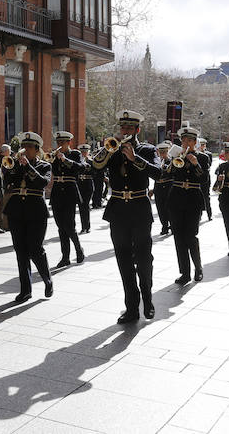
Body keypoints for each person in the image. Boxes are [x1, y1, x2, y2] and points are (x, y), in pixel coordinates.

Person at [92, 110, 163, 323]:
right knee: (123, 261)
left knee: (143, 259)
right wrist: (107, 151)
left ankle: (148, 298)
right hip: (118, 212)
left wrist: (135, 158)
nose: (125, 132)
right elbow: (95, 168)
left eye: (129, 128)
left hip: (140, 210)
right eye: (123, 128)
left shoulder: (148, 150)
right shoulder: (112, 150)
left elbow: (158, 173)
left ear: (137, 130)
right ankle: (131, 308)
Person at [2, 131, 53, 302]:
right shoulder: (17, 164)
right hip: (16, 210)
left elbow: (42, 183)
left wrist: (28, 167)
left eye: (29, 147)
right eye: (24, 147)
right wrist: (13, 166)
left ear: (37, 149)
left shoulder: (44, 166)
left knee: (35, 249)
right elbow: (7, 181)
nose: (25, 150)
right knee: (20, 251)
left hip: (36, 211)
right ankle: (25, 289)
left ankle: (47, 279)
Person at [167, 127, 209, 284]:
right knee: (178, 237)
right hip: (176, 199)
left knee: (191, 236)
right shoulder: (177, 156)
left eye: (189, 141)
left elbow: (204, 180)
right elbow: (167, 174)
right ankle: (185, 272)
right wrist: (172, 161)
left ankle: (198, 268)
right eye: (183, 141)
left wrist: (196, 164)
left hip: (193, 200)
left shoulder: (203, 158)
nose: (186, 143)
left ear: (195, 142)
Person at [49, 131, 87, 267]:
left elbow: (82, 168)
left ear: (68, 143)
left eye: (62, 143)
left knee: (69, 226)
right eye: (58, 143)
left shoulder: (75, 154)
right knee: (60, 227)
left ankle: (78, 249)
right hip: (57, 192)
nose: (59, 145)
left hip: (70, 192)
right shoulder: (55, 156)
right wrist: (53, 159)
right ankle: (65, 257)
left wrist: (65, 160)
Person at [150, 141, 174, 236]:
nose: (162, 154)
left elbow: (172, 174)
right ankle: (164, 226)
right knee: (160, 208)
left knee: (169, 208)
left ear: (167, 151)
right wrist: (153, 190)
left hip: (169, 187)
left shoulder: (172, 161)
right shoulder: (156, 162)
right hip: (159, 187)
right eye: (160, 152)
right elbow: (155, 177)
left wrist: (166, 166)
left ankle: (172, 225)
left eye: (164, 152)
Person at [76, 144, 95, 234]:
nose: (84, 153)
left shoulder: (91, 162)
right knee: (80, 206)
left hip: (88, 184)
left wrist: (88, 164)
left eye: (85, 151)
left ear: (88, 152)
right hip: (79, 184)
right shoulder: (78, 162)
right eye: (82, 152)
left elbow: (95, 172)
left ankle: (87, 227)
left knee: (86, 206)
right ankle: (83, 227)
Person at [197, 137, 213, 221]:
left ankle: (209, 214)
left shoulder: (208, 155)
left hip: (205, 178)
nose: (202, 146)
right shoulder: (195, 154)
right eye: (201, 145)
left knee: (206, 197)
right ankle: (199, 215)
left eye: (203, 145)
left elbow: (209, 165)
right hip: (197, 178)